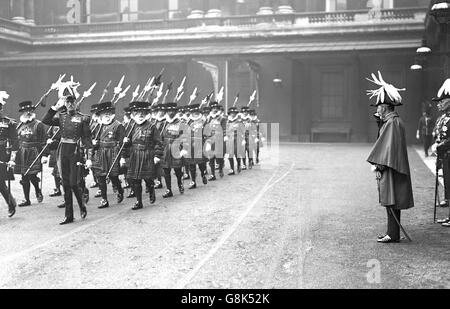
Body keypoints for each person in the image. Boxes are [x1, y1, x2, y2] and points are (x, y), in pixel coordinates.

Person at [366, 71, 414, 243]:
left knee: (391, 200)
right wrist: (379, 121)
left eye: (379, 107)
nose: (377, 108)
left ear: (384, 107)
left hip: (389, 166)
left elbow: (387, 148)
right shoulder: (392, 122)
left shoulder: (392, 123)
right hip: (392, 165)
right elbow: (385, 141)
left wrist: (379, 167)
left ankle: (392, 235)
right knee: (391, 199)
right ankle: (392, 233)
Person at [42, 89, 92, 225]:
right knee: (65, 183)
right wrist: (54, 107)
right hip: (63, 149)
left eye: (72, 102)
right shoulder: (62, 117)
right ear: (65, 103)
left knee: (74, 183)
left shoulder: (83, 118)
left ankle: (81, 205)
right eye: (68, 102)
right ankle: (69, 215)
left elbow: (87, 139)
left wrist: (88, 158)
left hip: (75, 151)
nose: (70, 104)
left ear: (76, 103)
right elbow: (45, 120)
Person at [124, 101, 163, 210]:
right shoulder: (130, 127)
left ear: (146, 114)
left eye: (143, 113)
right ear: (133, 115)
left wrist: (157, 155)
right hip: (135, 155)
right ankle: (138, 201)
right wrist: (126, 142)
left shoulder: (152, 127)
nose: (140, 116)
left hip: (147, 155)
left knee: (147, 178)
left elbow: (158, 142)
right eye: (137, 113)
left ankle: (151, 189)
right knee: (135, 180)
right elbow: (127, 144)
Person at [90, 101, 125, 209]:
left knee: (113, 176)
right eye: (104, 114)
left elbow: (123, 143)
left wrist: (122, 157)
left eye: (109, 114)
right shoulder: (97, 126)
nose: (107, 116)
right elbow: (92, 140)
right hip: (100, 153)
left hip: (113, 152)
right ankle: (104, 199)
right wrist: (93, 143)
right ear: (100, 116)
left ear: (113, 114)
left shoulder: (118, 126)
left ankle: (119, 189)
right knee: (100, 176)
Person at [14, 101, 47, 207]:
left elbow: (44, 140)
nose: (28, 112)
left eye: (30, 110)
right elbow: (16, 139)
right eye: (25, 111)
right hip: (22, 152)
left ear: (33, 111)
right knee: (24, 176)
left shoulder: (39, 124)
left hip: (34, 152)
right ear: (22, 112)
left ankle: (37, 190)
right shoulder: (20, 125)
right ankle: (26, 199)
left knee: (32, 175)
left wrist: (44, 155)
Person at [432, 79, 450, 226]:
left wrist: (442, 144)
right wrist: (437, 144)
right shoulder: (443, 118)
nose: (439, 104)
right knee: (448, 184)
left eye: (441, 101)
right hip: (444, 156)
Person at [160, 102, 185, 198]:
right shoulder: (164, 123)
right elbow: (160, 136)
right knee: (166, 170)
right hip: (166, 149)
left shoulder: (180, 123)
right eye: (169, 110)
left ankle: (179, 183)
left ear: (175, 111)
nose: (170, 112)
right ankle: (169, 189)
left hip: (176, 148)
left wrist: (183, 149)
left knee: (177, 169)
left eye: (172, 110)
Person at [0, 91, 18, 218]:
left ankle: (11, 203)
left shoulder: (9, 123)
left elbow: (15, 143)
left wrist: (12, 159)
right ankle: (11, 202)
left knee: (0, 183)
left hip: (2, 155)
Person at [186, 104, 208, 189]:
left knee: (201, 162)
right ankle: (193, 181)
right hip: (190, 143)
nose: (194, 114)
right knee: (191, 163)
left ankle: (203, 174)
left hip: (200, 142)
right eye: (193, 112)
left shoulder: (203, 120)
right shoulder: (189, 121)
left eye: (196, 112)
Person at [204, 101, 226, 180]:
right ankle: (213, 174)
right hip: (210, 139)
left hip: (219, 139)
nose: (214, 110)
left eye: (216, 108)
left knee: (219, 157)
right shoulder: (208, 118)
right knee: (211, 157)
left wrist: (225, 136)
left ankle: (220, 169)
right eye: (213, 108)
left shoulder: (222, 118)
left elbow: (224, 128)